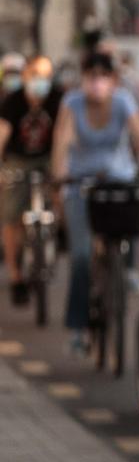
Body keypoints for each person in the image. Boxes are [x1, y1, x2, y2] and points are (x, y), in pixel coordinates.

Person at [50, 50, 139, 355]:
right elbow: (62, 140)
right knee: (82, 257)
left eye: (103, 76)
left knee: (129, 217)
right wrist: (59, 175)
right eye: (91, 76)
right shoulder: (72, 103)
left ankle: (125, 269)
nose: (97, 82)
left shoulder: (124, 101)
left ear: (113, 79)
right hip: (80, 185)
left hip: (117, 180)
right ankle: (78, 326)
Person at [1, 55, 62, 304]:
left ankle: (60, 231)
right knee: (11, 215)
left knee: (62, 192)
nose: (40, 81)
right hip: (19, 159)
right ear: (26, 76)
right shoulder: (13, 101)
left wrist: (62, 168)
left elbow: (63, 134)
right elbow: (3, 132)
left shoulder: (57, 98)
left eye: (45, 76)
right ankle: (16, 276)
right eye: (35, 75)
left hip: (49, 157)